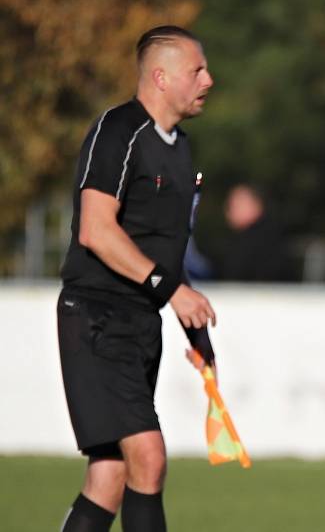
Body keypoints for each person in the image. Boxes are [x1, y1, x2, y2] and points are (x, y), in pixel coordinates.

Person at [57, 26, 216, 532]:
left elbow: (166, 254)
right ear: (160, 76)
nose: (208, 80)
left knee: (110, 474)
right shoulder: (120, 129)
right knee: (148, 457)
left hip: (140, 322)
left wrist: (194, 330)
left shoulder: (181, 148)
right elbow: (95, 229)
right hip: (97, 317)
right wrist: (172, 292)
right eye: (197, 70)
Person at [217, 183, 289, 281]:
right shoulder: (271, 235)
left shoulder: (257, 242)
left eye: (235, 205)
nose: (228, 211)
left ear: (255, 205)